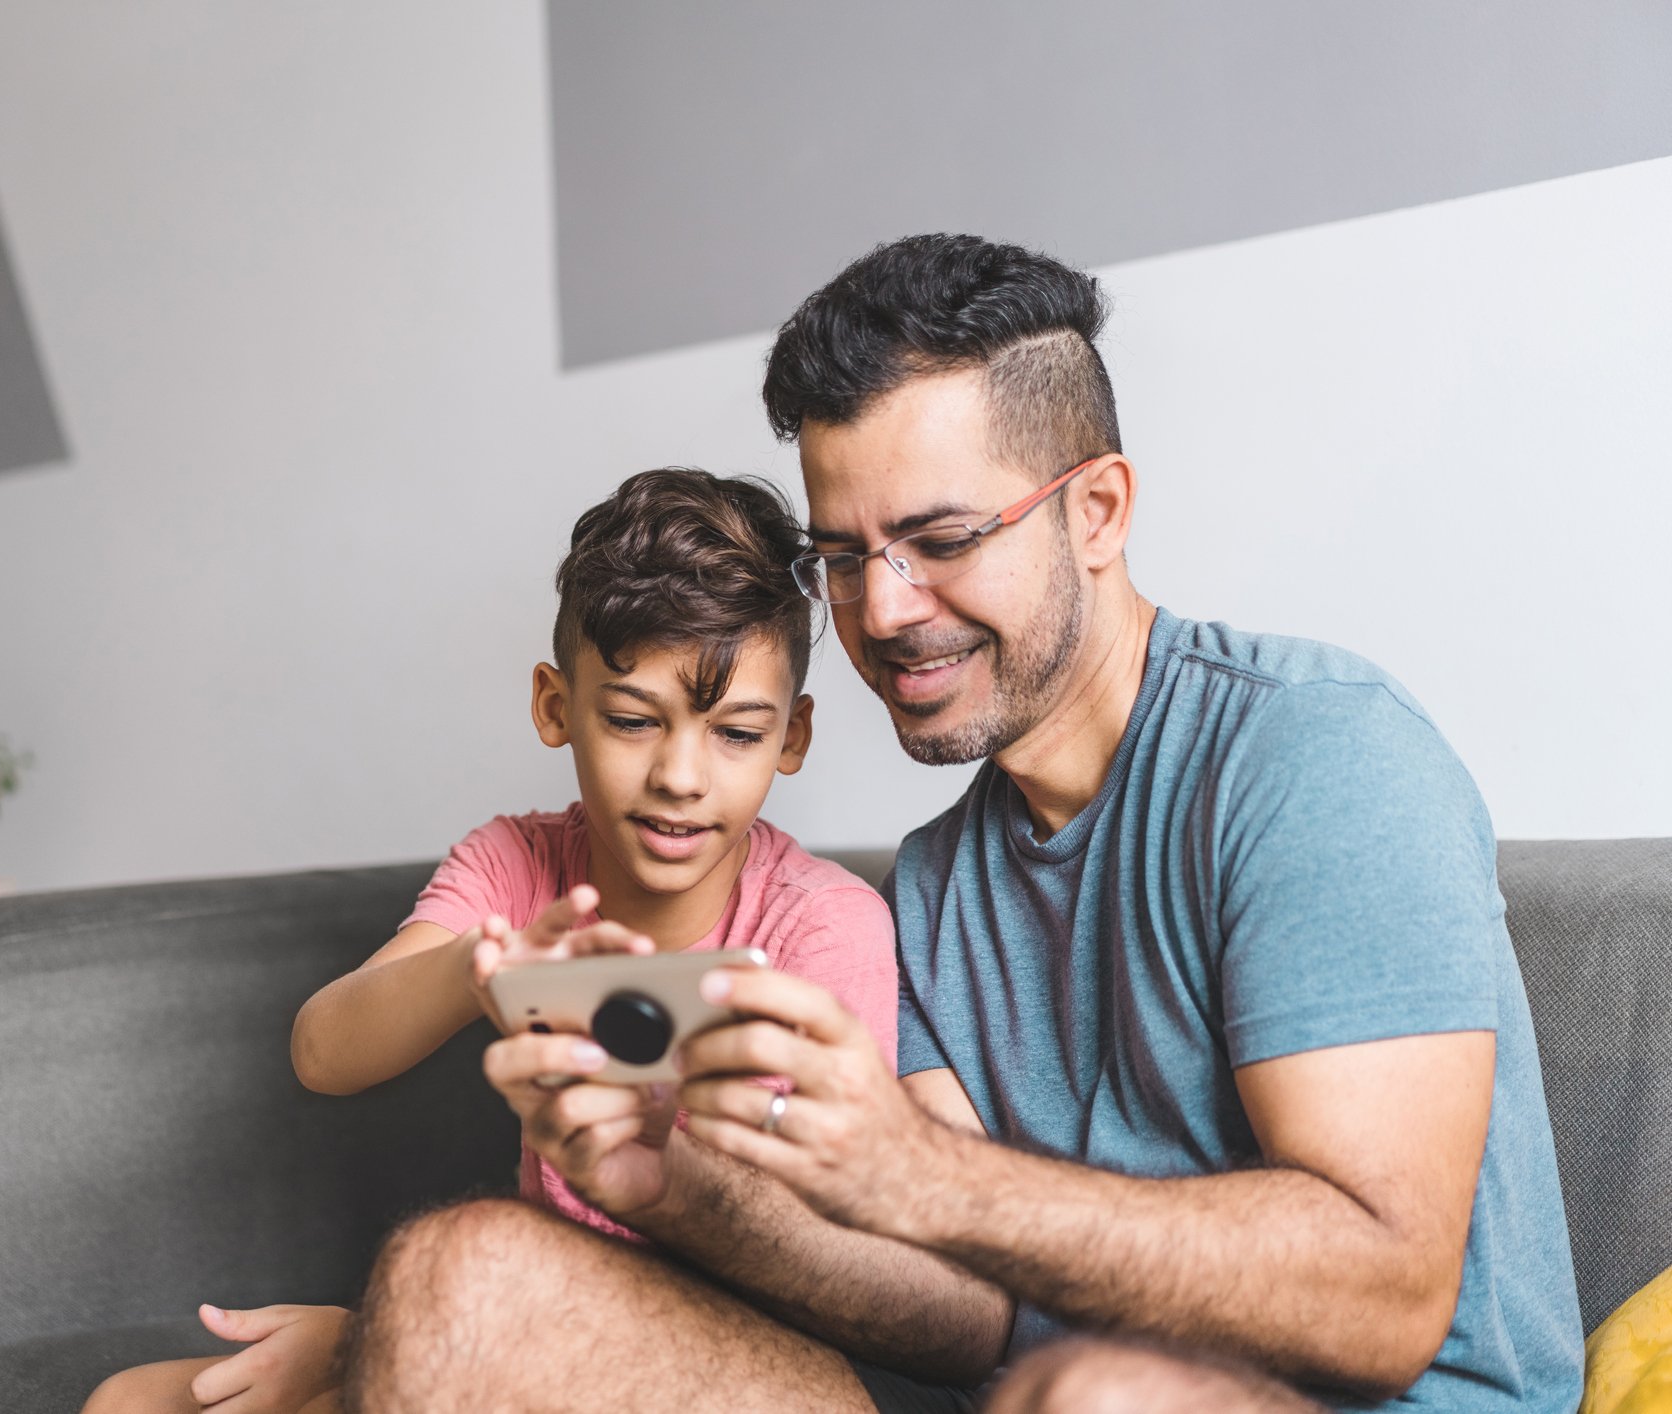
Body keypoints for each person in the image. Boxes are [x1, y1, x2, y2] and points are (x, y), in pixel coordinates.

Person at [340, 236, 1585, 1413]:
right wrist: (670, 1183)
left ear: (1094, 511)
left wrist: (920, 1173)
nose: (879, 609)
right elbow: (966, 1321)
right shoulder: (930, 889)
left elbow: (1382, 1298)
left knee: (1094, 1397)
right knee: (458, 1278)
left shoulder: (1313, 755)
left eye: (938, 539)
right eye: (843, 553)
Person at [80, 467, 899, 1414]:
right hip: (528, 1315)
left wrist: (397, 1334)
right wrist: (484, 970)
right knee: (131, 1403)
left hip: (725, 1356)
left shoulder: (823, 926)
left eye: (737, 735)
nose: (682, 775)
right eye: (634, 722)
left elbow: (817, 1241)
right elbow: (323, 1051)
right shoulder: (519, 862)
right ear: (556, 707)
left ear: (792, 735)